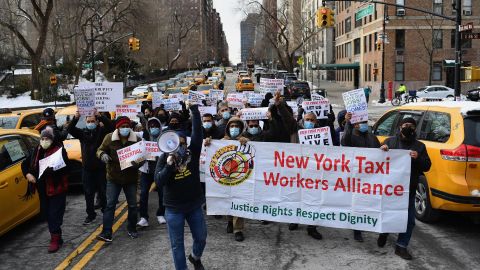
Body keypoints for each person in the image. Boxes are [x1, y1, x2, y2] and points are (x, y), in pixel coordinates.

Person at [154, 105, 207, 270]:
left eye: (182, 142)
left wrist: (195, 112)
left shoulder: (193, 153)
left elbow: (198, 134)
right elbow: (159, 181)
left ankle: (195, 256)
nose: (179, 146)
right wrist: (169, 166)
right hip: (174, 209)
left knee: (201, 237)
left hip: (194, 205)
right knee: (177, 245)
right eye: (175, 143)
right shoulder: (164, 159)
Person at [377, 117, 431, 260]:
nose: (408, 127)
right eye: (405, 125)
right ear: (400, 127)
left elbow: (427, 166)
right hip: (390, 189)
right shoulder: (390, 142)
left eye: (411, 126)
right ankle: (384, 233)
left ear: (414, 129)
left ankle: (401, 246)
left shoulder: (419, 146)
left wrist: (418, 157)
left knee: (409, 221)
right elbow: (376, 162)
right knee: (388, 214)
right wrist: (381, 151)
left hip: (408, 190)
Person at [22, 127, 69, 253]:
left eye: (47, 139)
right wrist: (28, 175)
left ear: (52, 140)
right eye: (42, 139)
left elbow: (66, 168)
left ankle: (54, 240)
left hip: (56, 188)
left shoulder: (59, 151)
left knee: (54, 215)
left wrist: (52, 170)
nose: (44, 141)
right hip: (42, 190)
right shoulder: (36, 151)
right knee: (47, 215)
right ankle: (57, 236)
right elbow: (24, 165)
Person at [96, 116, 143, 242]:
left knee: (133, 205)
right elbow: (99, 149)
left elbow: (143, 157)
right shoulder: (109, 138)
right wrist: (103, 155)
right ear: (118, 127)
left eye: (127, 126)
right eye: (123, 126)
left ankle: (132, 228)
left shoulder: (137, 140)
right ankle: (106, 232)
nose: (125, 129)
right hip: (113, 177)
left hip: (130, 178)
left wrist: (137, 163)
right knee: (110, 205)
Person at [68, 110, 114, 225]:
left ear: (97, 122)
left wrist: (101, 116)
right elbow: (70, 129)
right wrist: (75, 118)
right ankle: (90, 214)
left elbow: (111, 126)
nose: (90, 123)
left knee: (103, 192)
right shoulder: (82, 133)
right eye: (88, 121)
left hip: (101, 169)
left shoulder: (102, 132)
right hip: (87, 170)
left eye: (93, 121)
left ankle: (105, 212)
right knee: (88, 193)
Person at [341, 112, 381, 242]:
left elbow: (379, 152)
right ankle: (357, 230)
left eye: (365, 122)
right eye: (360, 122)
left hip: (370, 176)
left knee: (368, 202)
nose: (363, 124)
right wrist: (348, 123)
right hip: (356, 176)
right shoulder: (350, 136)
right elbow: (344, 141)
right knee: (356, 203)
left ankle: (367, 223)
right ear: (355, 124)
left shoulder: (372, 137)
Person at [287, 112, 324, 240]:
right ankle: (295, 219)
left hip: (314, 172)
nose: (309, 122)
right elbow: (287, 118)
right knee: (297, 196)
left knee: (313, 199)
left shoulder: (322, 133)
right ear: (303, 120)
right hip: (297, 170)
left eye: (312, 120)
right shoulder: (295, 130)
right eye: (307, 119)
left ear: (316, 121)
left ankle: (311, 227)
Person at [222, 116, 249, 242]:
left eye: (236, 126)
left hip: (241, 177)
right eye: (231, 126)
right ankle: (229, 221)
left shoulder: (245, 140)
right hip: (226, 177)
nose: (234, 129)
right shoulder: (221, 141)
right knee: (228, 200)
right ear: (228, 128)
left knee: (238, 202)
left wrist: (247, 142)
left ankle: (238, 229)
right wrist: (208, 143)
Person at [137, 117, 166, 227]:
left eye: (156, 126)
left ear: (160, 127)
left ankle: (161, 214)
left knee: (162, 193)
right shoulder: (143, 137)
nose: (154, 128)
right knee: (144, 193)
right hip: (146, 170)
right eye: (151, 126)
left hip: (159, 171)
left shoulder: (163, 138)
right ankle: (144, 217)